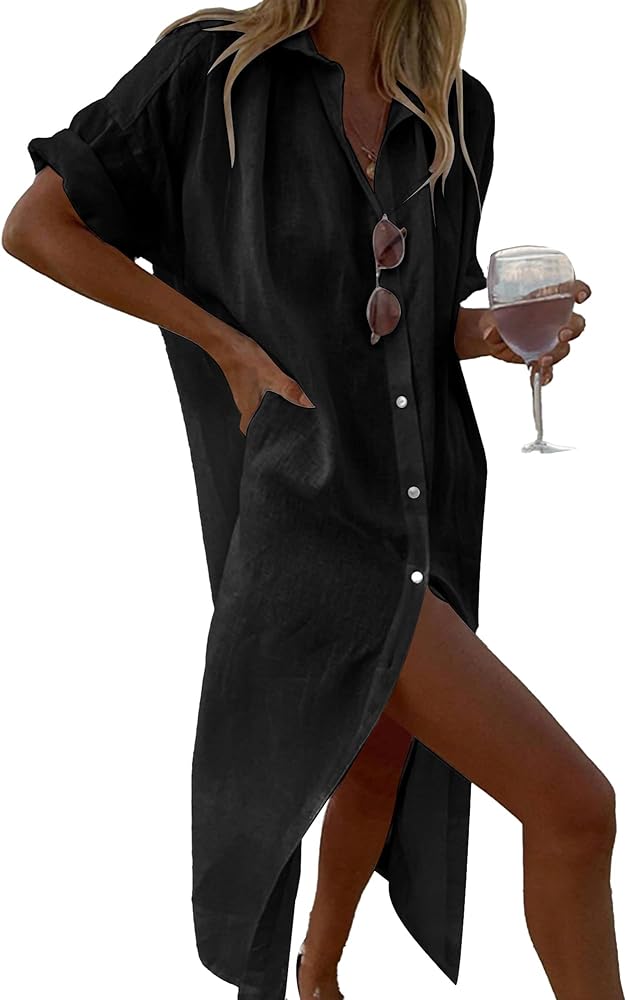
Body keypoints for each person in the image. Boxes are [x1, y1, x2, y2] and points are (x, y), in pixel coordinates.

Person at [4, 2, 621, 1000]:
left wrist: (489, 335)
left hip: (417, 500)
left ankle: (319, 973)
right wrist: (224, 347)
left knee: (378, 749)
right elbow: (37, 227)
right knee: (575, 807)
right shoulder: (212, 76)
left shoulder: (456, 109)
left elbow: (414, 322)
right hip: (303, 514)